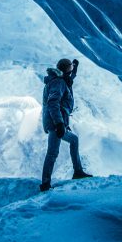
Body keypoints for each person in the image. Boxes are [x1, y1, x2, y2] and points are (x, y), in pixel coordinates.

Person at [40, 58, 93, 191]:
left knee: (74, 140)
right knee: (52, 153)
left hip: (59, 122)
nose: (70, 72)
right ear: (64, 70)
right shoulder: (58, 82)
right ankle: (45, 183)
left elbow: (70, 78)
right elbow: (53, 103)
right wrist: (59, 124)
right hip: (55, 123)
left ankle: (78, 171)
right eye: (69, 69)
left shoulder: (62, 80)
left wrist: (74, 68)